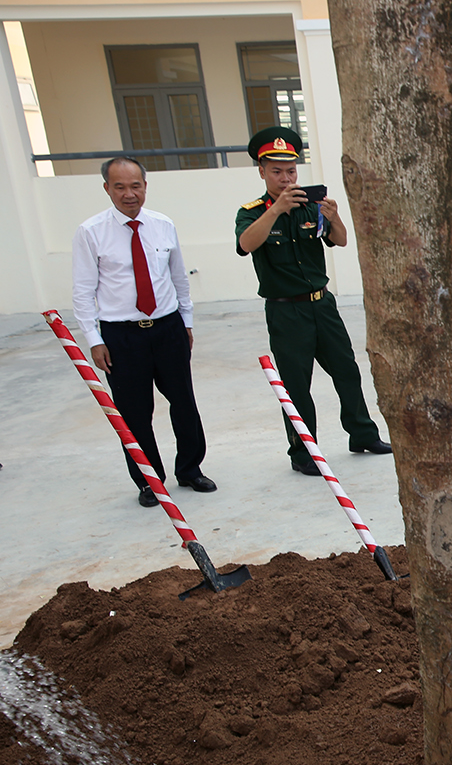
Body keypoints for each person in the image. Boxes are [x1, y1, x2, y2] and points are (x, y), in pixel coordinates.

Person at [235, 127, 390, 475]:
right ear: (262, 172)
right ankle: (304, 453)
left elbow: (341, 241)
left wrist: (333, 218)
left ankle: (362, 434)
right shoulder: (253, 212)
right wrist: (275, 211)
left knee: (347, 370)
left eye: (291, 170)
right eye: (276, 171)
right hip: (285, 309)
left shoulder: (309, 208)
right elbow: (246, 244)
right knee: (296, 385)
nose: (286, 178)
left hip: (322, 304)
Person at [73, 156, 214, 506]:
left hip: (168, 328)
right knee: (134, 413)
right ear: (107, 188)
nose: (129, 194)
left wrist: (187, 322)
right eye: (119, 186)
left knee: (184, 402)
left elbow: (179, 277)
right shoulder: (91, 232)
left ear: (145, 187)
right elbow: (82, 291)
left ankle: (190, 469)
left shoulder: (162, 225)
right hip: (121, 336)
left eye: (135, 186)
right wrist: (94, 340)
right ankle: (149, 480)